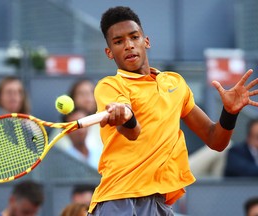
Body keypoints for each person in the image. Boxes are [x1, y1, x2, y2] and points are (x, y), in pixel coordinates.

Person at [87, 6, 258, 215]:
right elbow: (132, 131)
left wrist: (229, 113)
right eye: (118, 41)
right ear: (109, 53)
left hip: (160, 201)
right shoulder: (110, 86)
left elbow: (216, 140)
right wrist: (124, 115)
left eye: (134, 37)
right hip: (120, 201)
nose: (129, 45)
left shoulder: (175, 82)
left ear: (146, 41)